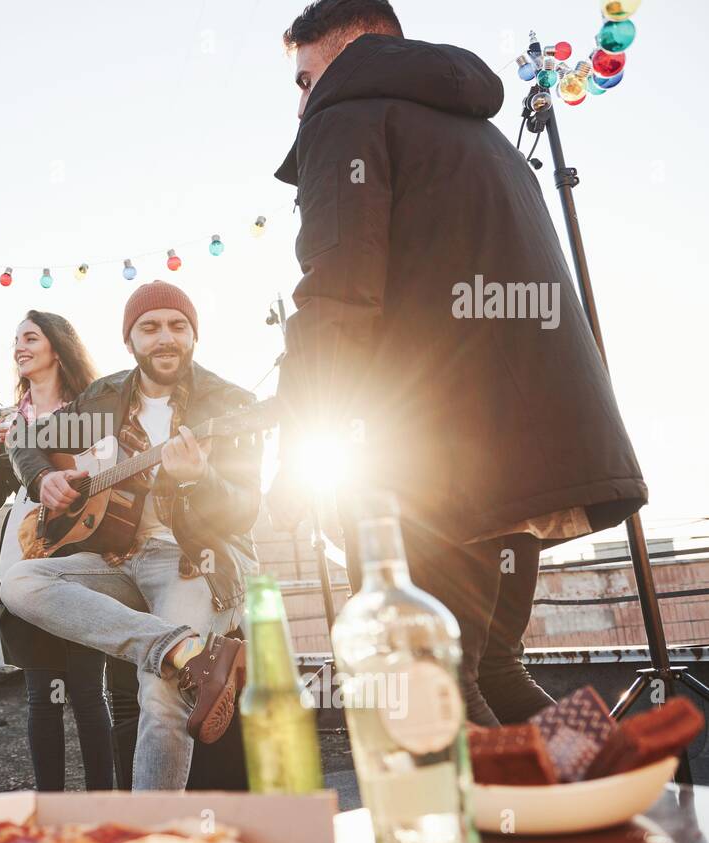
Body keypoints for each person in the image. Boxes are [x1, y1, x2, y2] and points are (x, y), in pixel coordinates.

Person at [272, 0, 647, 725]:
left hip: (436, 453)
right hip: (529, 449)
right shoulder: (481, 134)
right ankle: (601, 784)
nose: (300, 100)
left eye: (303, 77)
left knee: (426, 681)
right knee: (494, 666)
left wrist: (296, 449)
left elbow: (336, 295)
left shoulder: (345, 114)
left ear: (346, 54)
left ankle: (477, 833)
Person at [1, 281, 262, 791]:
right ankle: (183, 650)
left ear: (193, 335)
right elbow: (24, 438)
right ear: (130, 341)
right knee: (20, 583)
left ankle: (150, 837)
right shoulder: (105, 398)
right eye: (150, 327)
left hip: (196, 560)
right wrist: (42, 478)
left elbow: (245, 511)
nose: (165, 337)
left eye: (177, 326)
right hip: (121, 557)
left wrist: (198, 479)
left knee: (161, 692)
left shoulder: (231, 404)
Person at [0, 310, 114, 791]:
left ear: (58, 347)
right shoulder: (8, 420)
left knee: (87, 692)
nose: (19, 346)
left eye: (31, 337)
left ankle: (103, 802)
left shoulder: (90, 413)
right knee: (42, 695)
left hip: (76, 557)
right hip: (23, 555)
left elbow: (105, 487)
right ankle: (51, 807)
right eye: (15, 339)